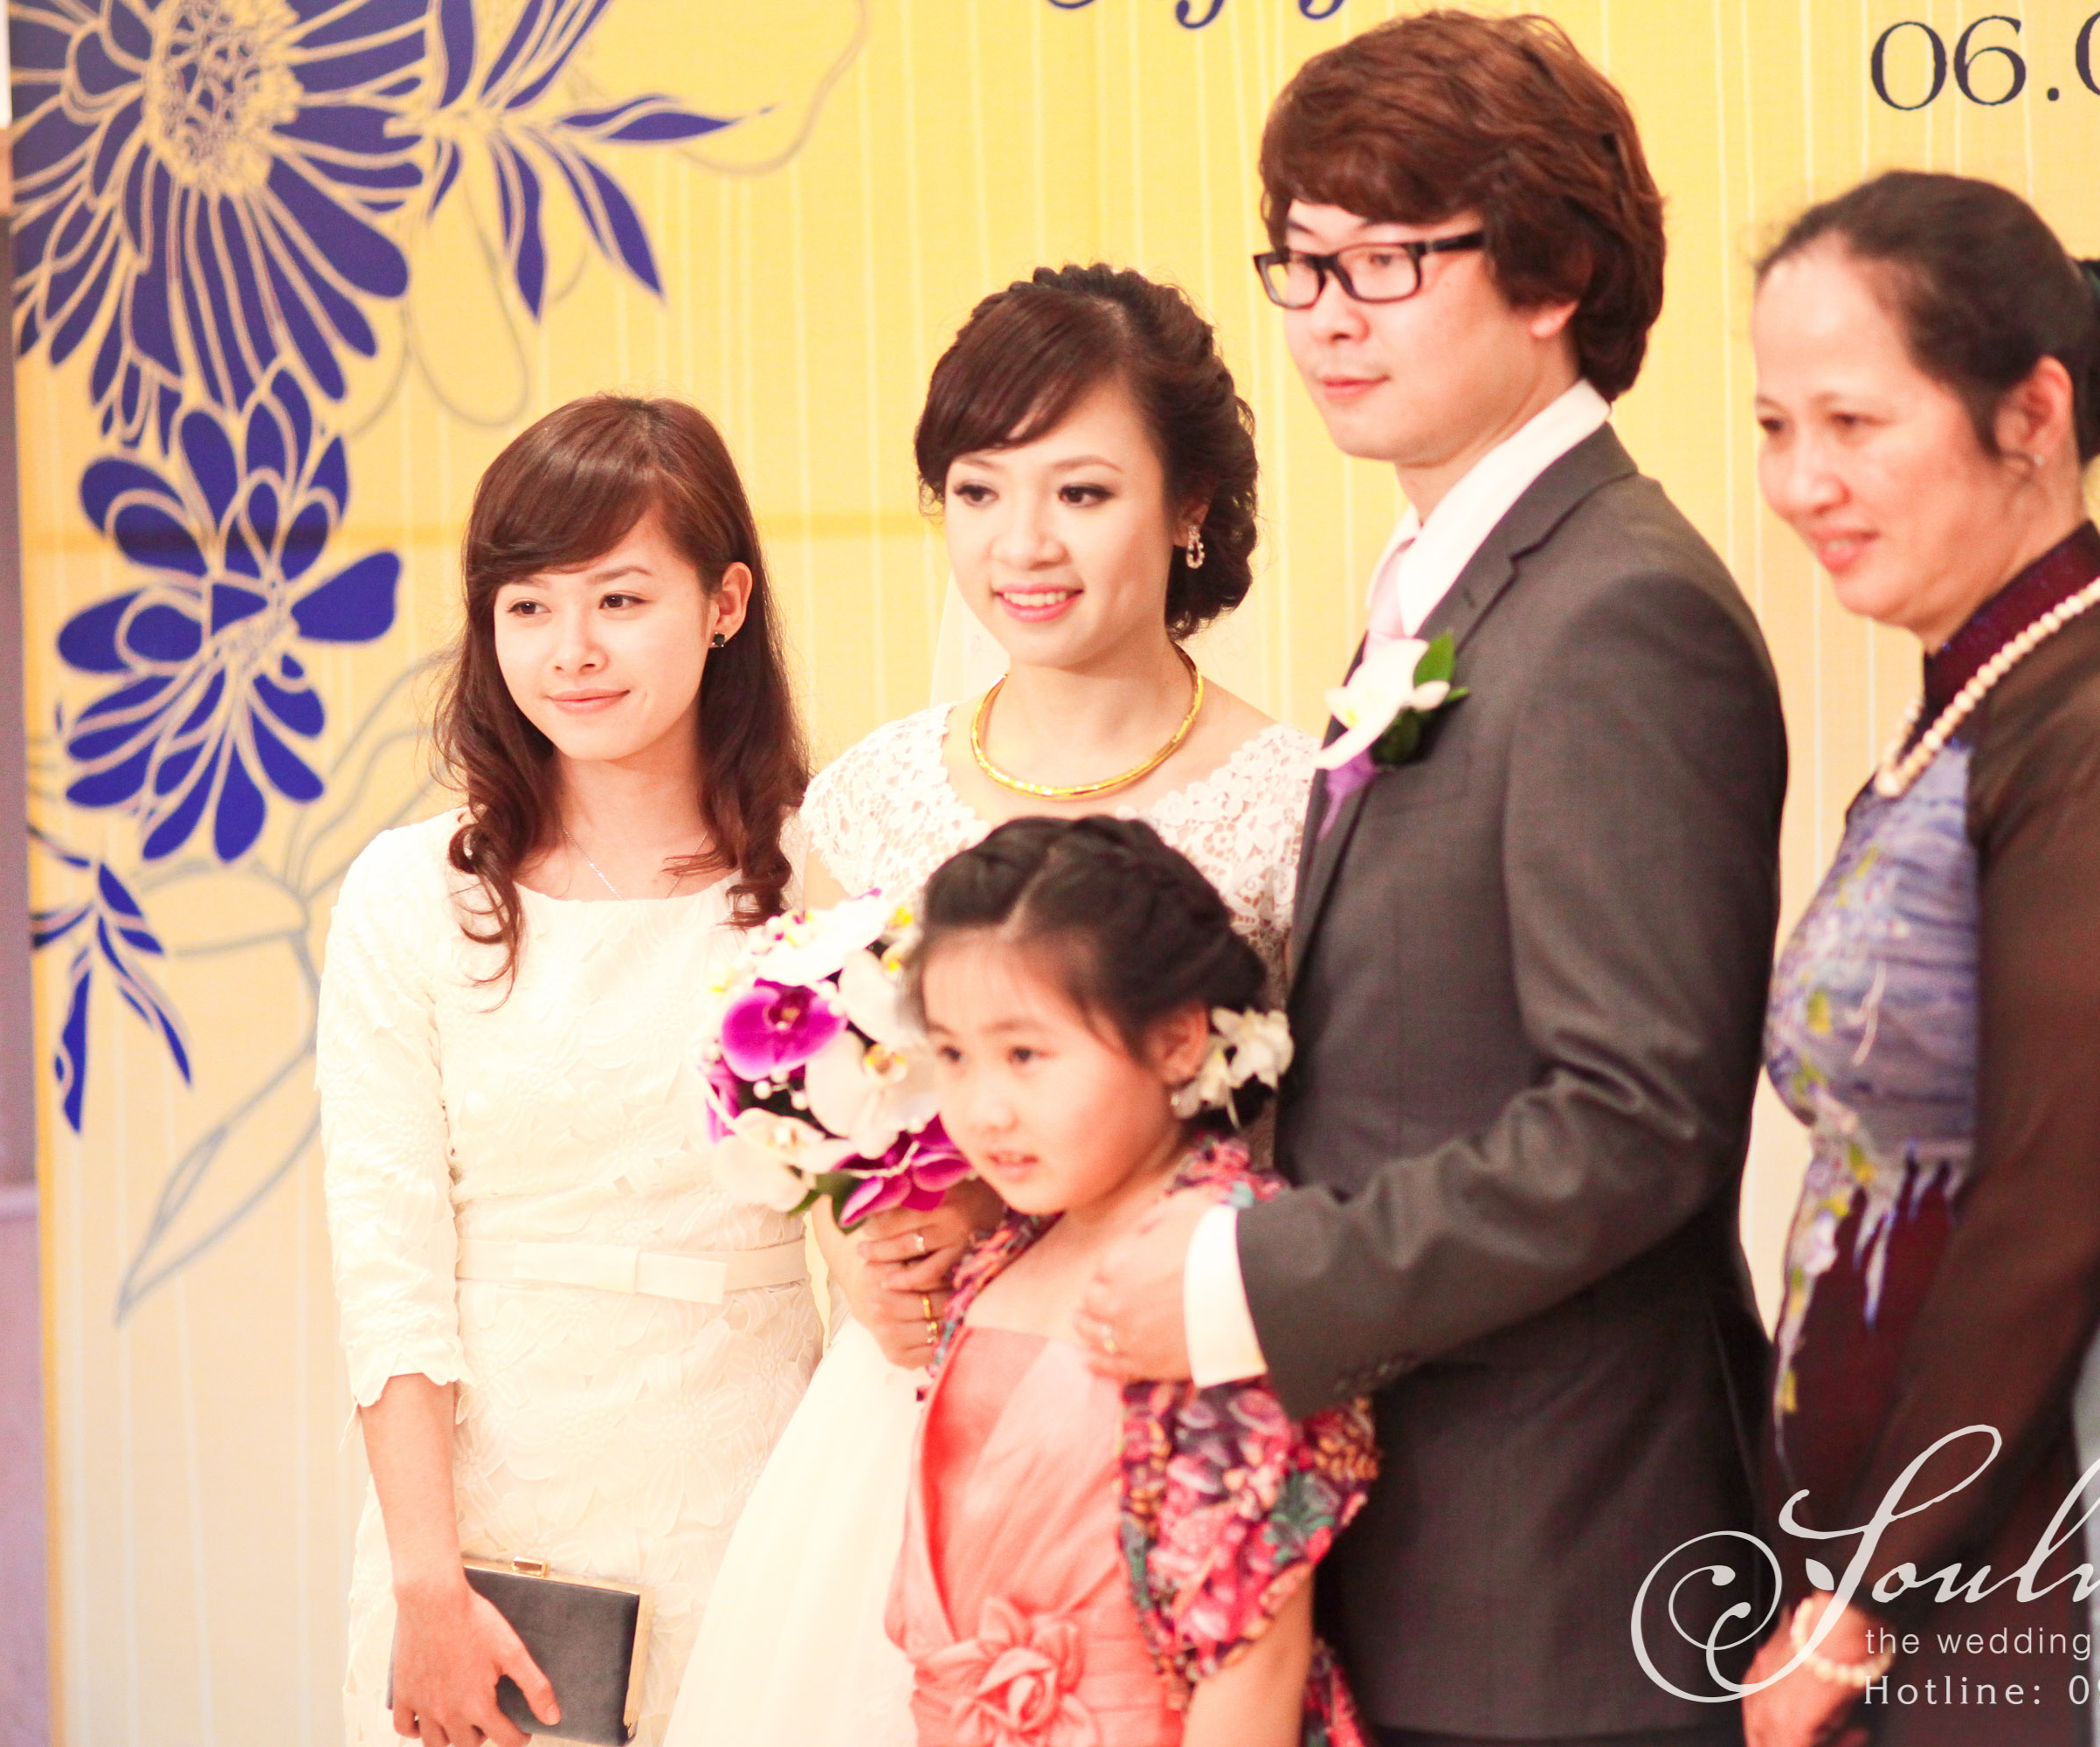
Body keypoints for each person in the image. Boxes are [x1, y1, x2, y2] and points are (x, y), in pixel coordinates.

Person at [1082, 14, 1789, 1746]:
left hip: (1564, 1573)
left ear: (1556, 275)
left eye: (1386, 260)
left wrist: (1252, 1287)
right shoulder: (1453, 581)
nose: (1326, 314)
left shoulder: (1621, 610)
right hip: (1427, 1554)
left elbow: (1635, 1123)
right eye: (1302, 260)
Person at [667, 264, 1315, 1746]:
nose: (1022, 544)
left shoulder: (1293, 805)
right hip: (899, 1420)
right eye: (977, 490)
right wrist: (859, 1247)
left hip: (1166, 1422)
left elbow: (1322, 1144)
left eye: (1081, 492)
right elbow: (819, 1114)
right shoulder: (872, 798)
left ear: (1191, 506)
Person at [1739, 170, 2100, 1747]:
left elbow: (2055, 1218)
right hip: (1947, 1557)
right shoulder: (1983, 708)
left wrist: (1868, 1589)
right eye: (1776, 426)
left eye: (1854, 423)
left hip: (2090, 1546)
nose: (1801, 481)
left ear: (2032, 413)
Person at [318, 396, 823, 1747]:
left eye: (620, 599)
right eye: (528, 606)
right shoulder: (409, 895)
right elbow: (389, 1266)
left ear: (724, 604)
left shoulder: (821, 883)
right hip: (480, 1528)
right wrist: (427, 1585)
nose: (573, 650)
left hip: (755, 1489)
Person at [898, 815, 1376, 1746]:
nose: (985, 1109)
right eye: (953, 1054)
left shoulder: (1219, 1269)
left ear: (1176, 1040)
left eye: (1026, 1055)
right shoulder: (1004, 1253)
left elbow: (1252, 1659)